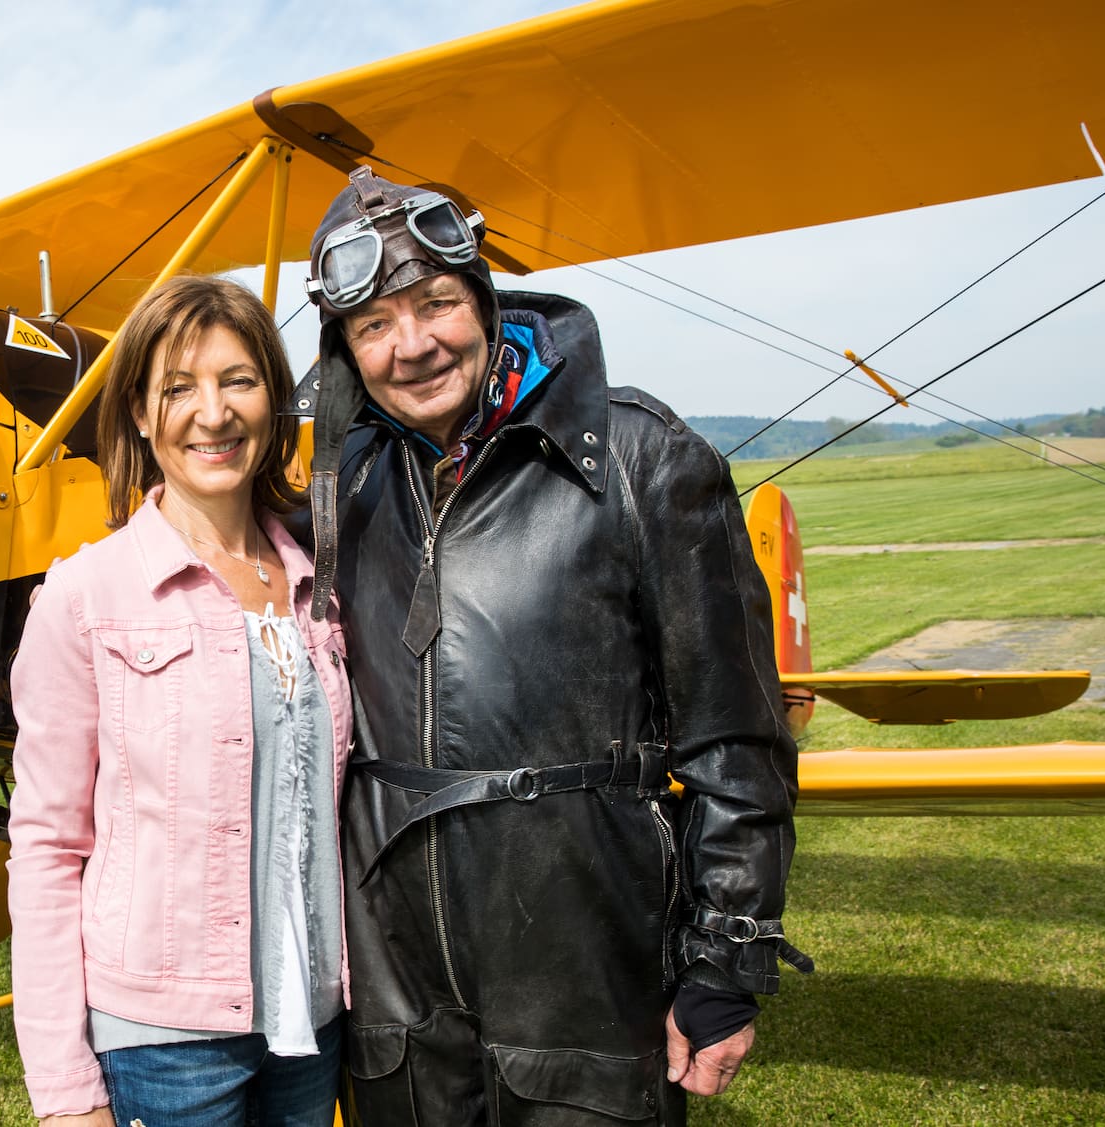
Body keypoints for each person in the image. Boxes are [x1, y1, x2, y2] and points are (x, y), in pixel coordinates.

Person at [300, 167, 810, 1125]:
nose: (412, 346)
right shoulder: (342, 490)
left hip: (589, 971)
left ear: (485, 297)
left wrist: (726, 960)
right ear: (345, 351)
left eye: (435, 303)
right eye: (373, 325)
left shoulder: (642, 455)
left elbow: (736, 737)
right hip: (398, 1004)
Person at [7, 275, 356, 1127]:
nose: (213, 412)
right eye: (178, 387)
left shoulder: (321, 582)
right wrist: (63, 1090)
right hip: (165, 1038)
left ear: (276, 400)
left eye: (239, 380)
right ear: (137, 412)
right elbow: (47, 844)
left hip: (312, 1018)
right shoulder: (86, 596)